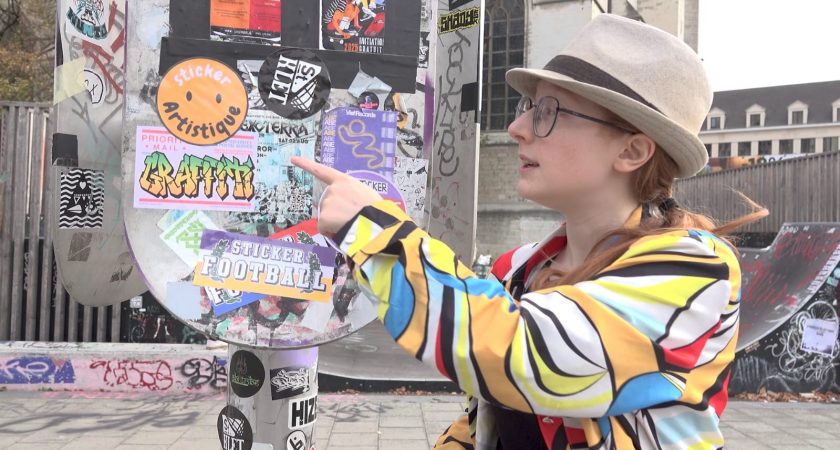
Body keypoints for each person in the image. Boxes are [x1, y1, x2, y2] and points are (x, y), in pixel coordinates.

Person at [292, 14, 767, 450]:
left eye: (548, 111)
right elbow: (487, 420)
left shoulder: (694, 271)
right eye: (527, 106)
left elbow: (528, 356)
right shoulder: (520, 269)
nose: (517, 127)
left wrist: (372, 231)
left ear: (632, 151)